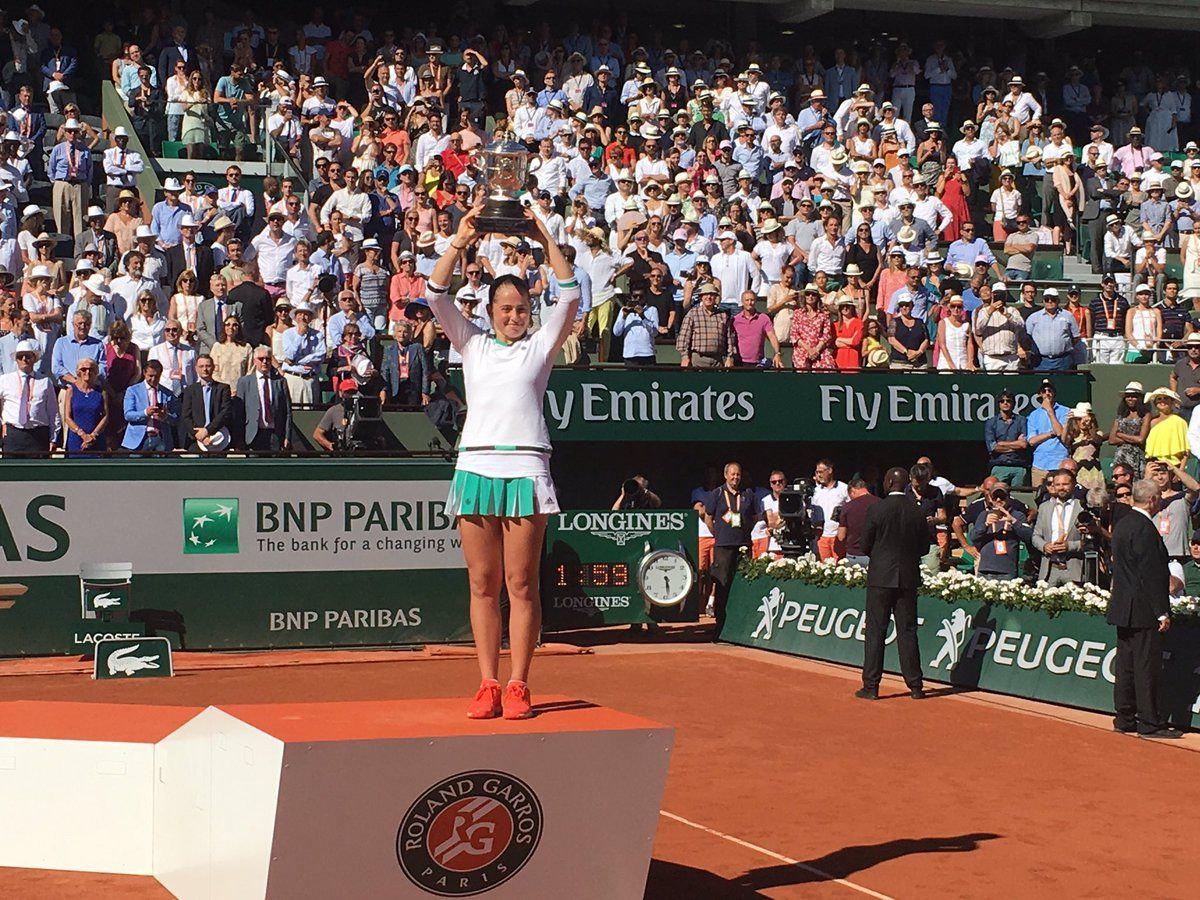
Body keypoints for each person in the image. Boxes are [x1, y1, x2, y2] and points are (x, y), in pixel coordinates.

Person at [429, 207, 580, 722]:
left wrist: (543, 234)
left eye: (521, 308)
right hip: (475, 472)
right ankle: (488, 683)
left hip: (526, 471)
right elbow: (434, 294)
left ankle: (519, 683)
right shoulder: (470, 343)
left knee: (521, 584)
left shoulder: (541, 347)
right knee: (481, 583)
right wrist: (461, 239)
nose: (514, 316)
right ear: (489, 310)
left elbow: (571, 294)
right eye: (505, 308)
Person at [1107, 478, 1179, 738]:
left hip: (1123, 607)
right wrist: (1161, 611)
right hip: (1143, 610)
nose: (1160, 501)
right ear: (1151, 500)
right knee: (1146, 666)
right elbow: (1151, 574)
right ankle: (1149, 722)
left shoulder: (1123, 524)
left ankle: (1124, 718)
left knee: (1125, 665)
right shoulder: (1145, 529)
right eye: (1158, 497)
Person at [857, 466, 931, 700]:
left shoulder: (877, 508)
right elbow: (924, 547)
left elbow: (864, 544)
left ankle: (871, 686)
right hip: (907, 577)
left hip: (880, 577)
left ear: (889, 482)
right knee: (908, 631)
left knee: (876, 631)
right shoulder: (916, 510)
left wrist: (879, 557)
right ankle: (916, 686)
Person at [704, 461, 761, 638]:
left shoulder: (748, 494)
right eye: (732, 474)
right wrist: (720, 535)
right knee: (722, 585)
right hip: (723, 546)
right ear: (726, 475)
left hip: (743, 545)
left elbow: (754, 517)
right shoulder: (717, 494)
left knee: (742, 583)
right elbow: (708, 518)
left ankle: (740, 625)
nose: (735, 477)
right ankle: (721, 626)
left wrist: (744, 534)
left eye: (738, 474)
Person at [0, 339, 59, 454]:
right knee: (12, 471)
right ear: (16, 360)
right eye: (20, 356)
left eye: (28, 356)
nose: (24, 359)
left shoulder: (45, 381)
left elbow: (53, 412)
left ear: (34, 358)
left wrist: (54, 438)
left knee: (37, 471)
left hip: (38, 435)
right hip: (13, 434)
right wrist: (2, 423)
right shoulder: (4, 380)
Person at [1032, 468, 1088, 586]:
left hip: (1073, 569)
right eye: (1057, 484)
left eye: (1065, 484)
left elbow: (1090, 541)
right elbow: (1036, 535)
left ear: (1073, 485)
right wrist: (1044, 546)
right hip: (1049, 569)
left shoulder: (1082, 508)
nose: (1061, 488)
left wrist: (1070, 546)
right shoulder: (1044, 507)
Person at [237, 346, 292, 452]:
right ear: (254, 361)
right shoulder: (244, 382)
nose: (264, 362)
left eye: (268, 359)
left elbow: (288, 412)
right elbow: (239, 413)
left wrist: (287, 436)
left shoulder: (280, 382)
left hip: (275, 434)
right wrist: (239, 439)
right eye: (261, 359)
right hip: (253, 435)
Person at [121, 359, 179, 453]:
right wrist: (145, 412)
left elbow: (176, 418)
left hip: (161, 438)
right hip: (139, 440)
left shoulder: (167, 393)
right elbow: (128, 415)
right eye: (150, 376)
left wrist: (165, 416)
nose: (153, 379)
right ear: (144, 372)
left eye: (156, 376)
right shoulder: (133, 390)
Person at [971, 484, 1027, 580]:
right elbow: (973, 537)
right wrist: (985, 524)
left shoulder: (1017, 515)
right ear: (990, 498)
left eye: (1001, 497)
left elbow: (1028, 536)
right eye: (994, 497)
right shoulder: (984, 515)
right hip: (985, 569)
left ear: (1008, 497)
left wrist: (1013, 522)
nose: (998, 500)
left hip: (1006, 570)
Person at [180, 354, 232, 453]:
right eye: (201, 366)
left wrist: (207, 431)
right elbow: (186, 416)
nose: (205, 369)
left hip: (218, 436)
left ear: (213, 367)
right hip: (196, 439)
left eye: (208, 366)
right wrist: (199, 435)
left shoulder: (223, 388)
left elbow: (225, 412)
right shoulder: (190, 390)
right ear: (196, 368)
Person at [1027, 379, 1070, 485]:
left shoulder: (1065, 411)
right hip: (1040, 465)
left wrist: (1050, 411)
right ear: (1040, 394)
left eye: (1049, 390)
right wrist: (1050, 434)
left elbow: (1060, 433)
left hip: (1059, 463)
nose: (1047, 393)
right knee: (1038, 497)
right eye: (1044, 391)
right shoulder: (1034, 415)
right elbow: (1032, 441)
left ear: (1054, 392)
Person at [62, 356, 108, 457]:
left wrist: (93, 435)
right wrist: (83, 435)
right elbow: (67, 417)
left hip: (96, 439)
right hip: (76, 438)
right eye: (83, 369)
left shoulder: (101, 392)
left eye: (91, 369)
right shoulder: (71, 391)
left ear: (96, 372)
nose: (87, 372)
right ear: (78, 372)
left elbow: (106, 416)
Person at [984, 389, 1030, 486]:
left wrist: (1002, 444)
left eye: (1008, 401)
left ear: (1013, 404)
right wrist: (1016, 444)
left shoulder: (1022, 420)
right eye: (1002, 401)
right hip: (999, 465)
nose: (1005, 403)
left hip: (1019, 466)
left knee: (1018, 497)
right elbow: (993, 447)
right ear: (998, 404)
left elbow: (1023, 444)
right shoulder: (991, 422)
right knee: (998, 495)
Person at [812, 459, 849, 561]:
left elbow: (850, 509)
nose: (818, 475)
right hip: (821, 536)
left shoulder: (843, 488)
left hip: (839, 536)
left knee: (840, 567)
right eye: (816, 472)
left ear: (830, 471)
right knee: (824, 568)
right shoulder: (815, 491)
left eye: (821, 472)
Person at [838, 477, 879, 568]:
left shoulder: (848, 507)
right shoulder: (881, 503)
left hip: (855, 555)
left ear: (852, 491)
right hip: (876, 554)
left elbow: (841, 536)